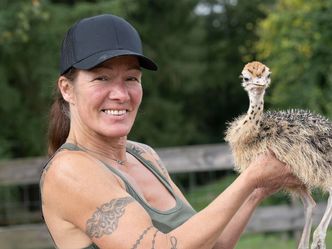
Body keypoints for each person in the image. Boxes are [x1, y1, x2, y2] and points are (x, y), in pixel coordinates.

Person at [40, 13, 303, 249]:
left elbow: (212, 245)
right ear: (66, 89)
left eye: (131, 78)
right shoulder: (69, 171)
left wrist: (257, 190)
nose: (120, 94)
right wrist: (250, 178)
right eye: (101, 78)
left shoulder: (144, 156)